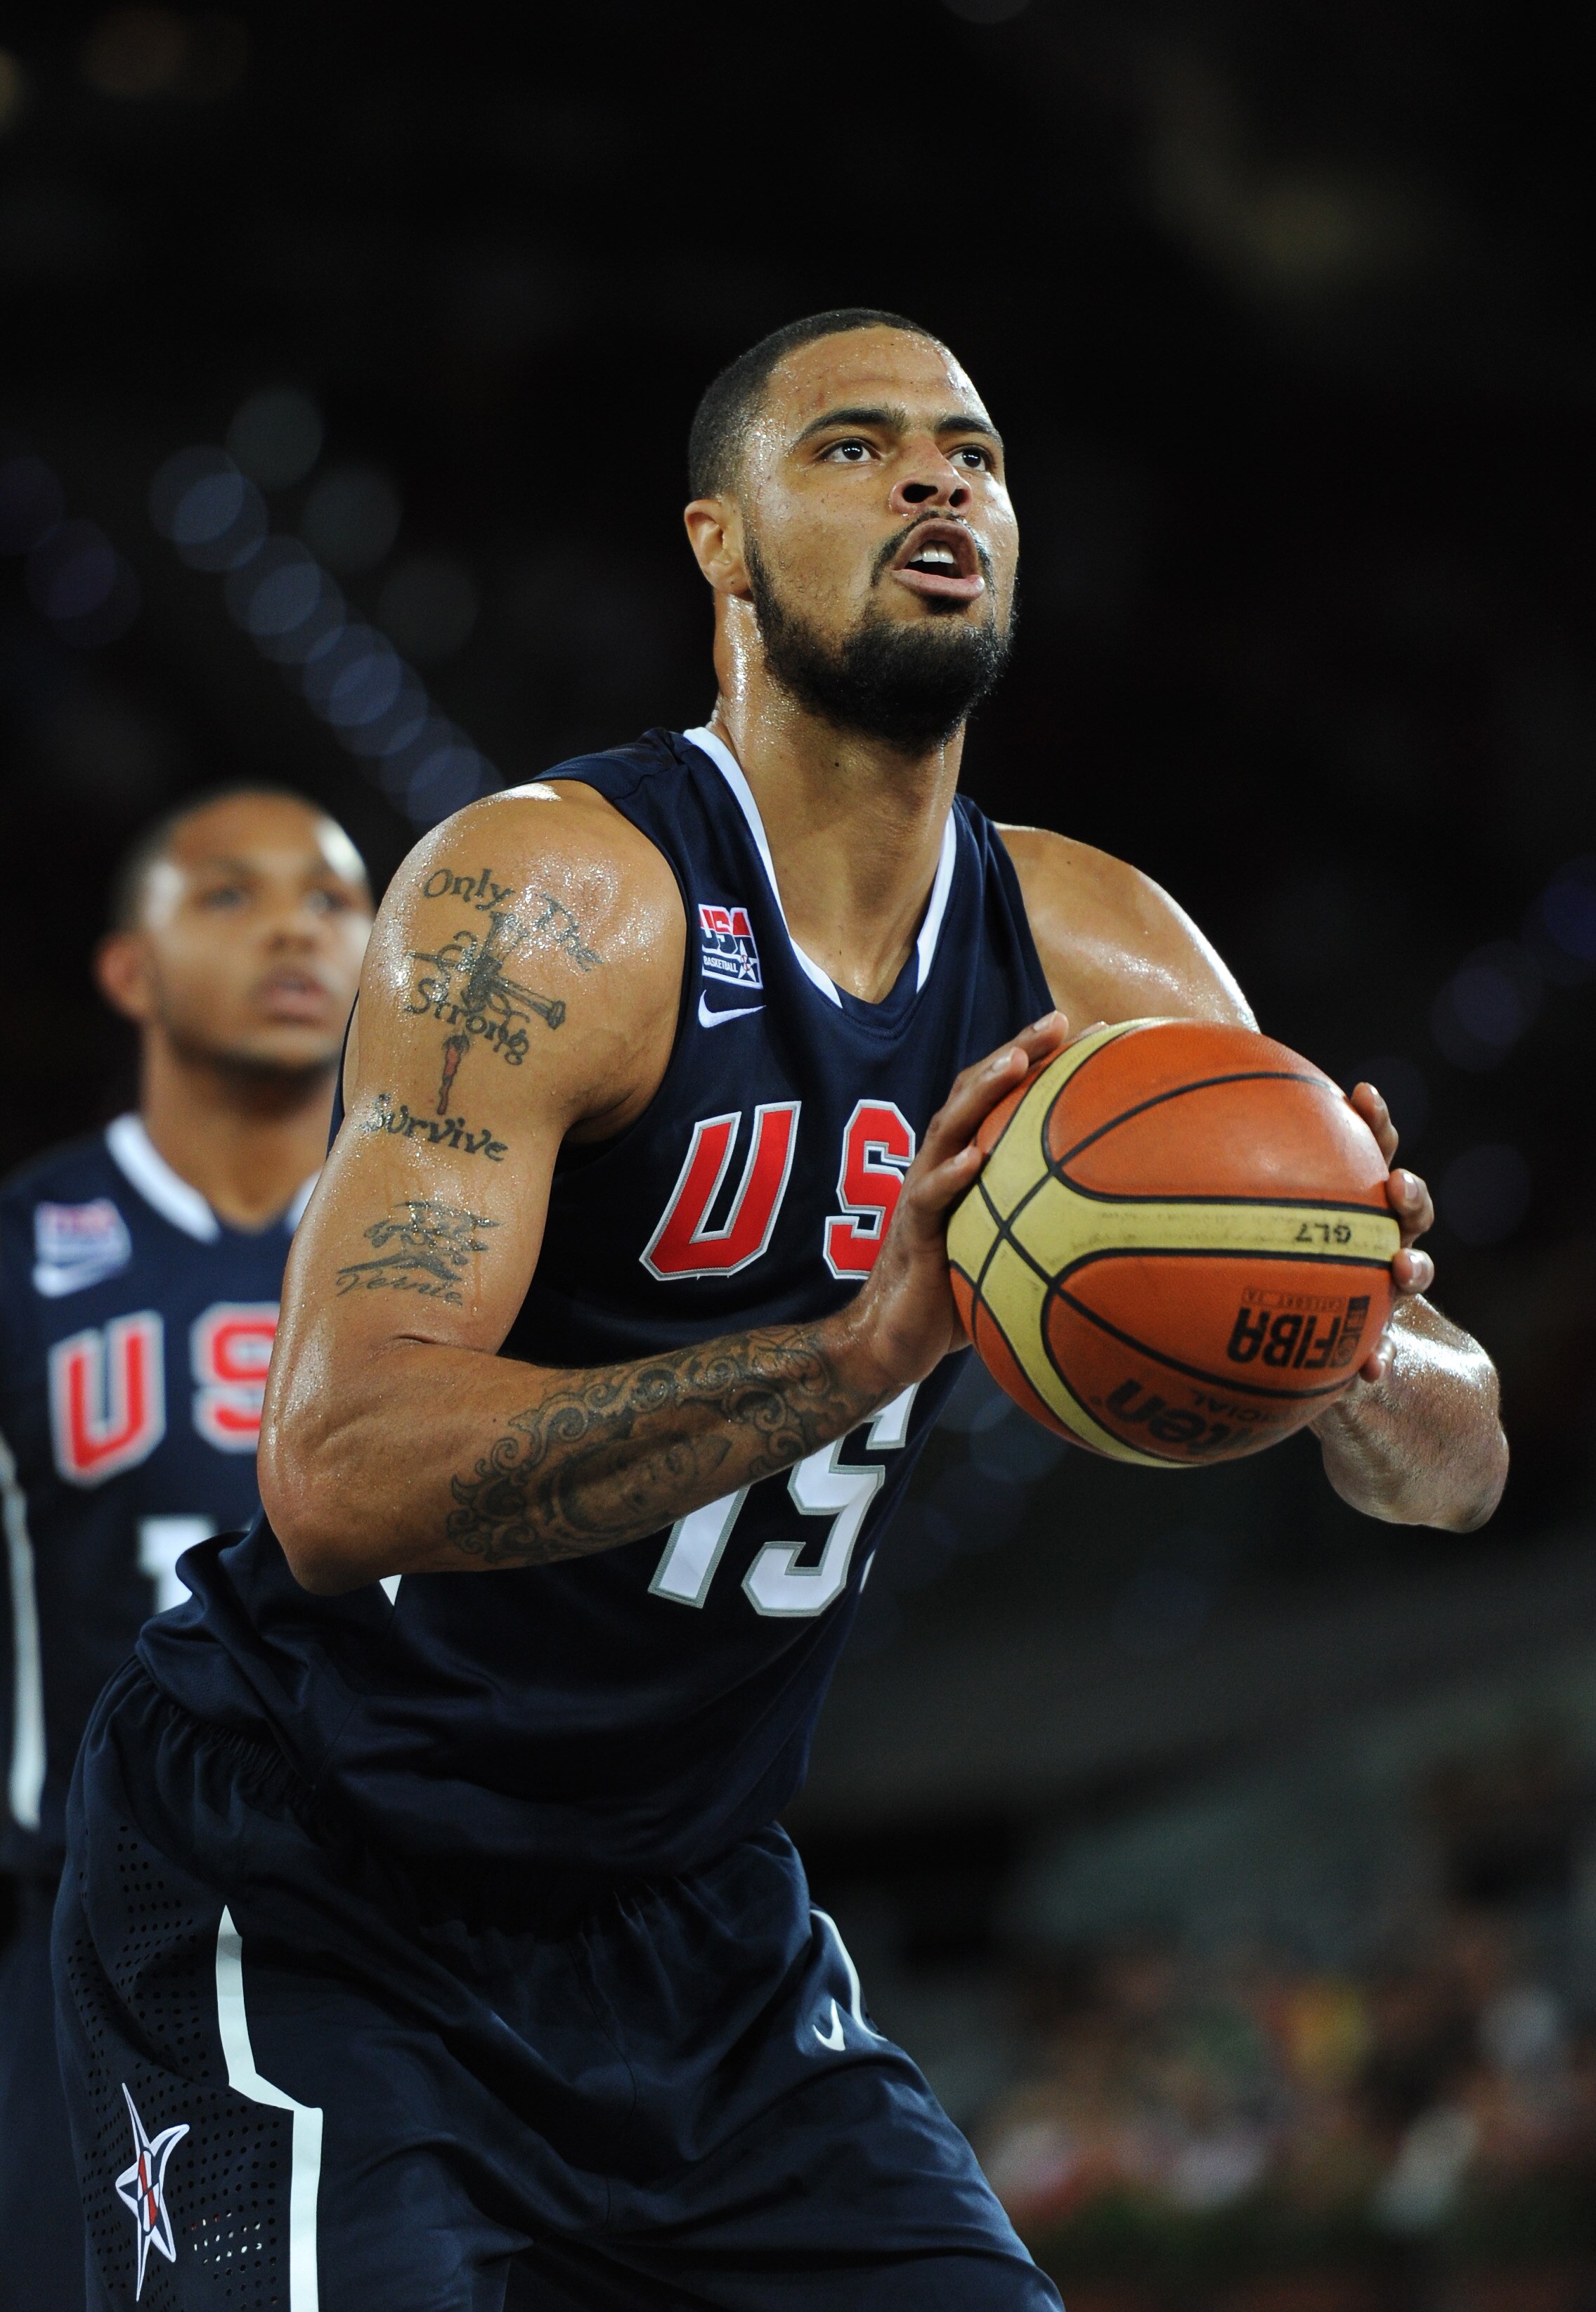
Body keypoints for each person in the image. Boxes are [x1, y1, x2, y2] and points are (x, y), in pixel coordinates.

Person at [56, 312, 1507, 2311]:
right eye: (856, 447)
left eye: (976, 454)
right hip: (314, 1875)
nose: (939, 481)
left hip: (698, 1931)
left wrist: (1355, 1327)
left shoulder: (1110, 958)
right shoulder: (553, 905)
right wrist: (850, 1357)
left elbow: (1453, 1465)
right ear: (719, 546)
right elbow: (334, 1472)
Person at [0, 787, 371, 2311]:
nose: (295, 924)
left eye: (337, 899)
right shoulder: (23, 1247)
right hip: (96, 1938)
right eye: (229, 894)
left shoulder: (482, 1239)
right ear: (129, 971)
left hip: (402, 1926)